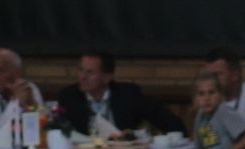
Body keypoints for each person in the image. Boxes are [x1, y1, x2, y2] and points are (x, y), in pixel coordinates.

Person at [55, 51, 185, 136]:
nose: (82, 77)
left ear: (107, 77)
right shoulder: (69, 96)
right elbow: (59, 132)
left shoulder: (128, 94)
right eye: (80, 70)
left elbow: (170, 122)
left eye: (90, 72)